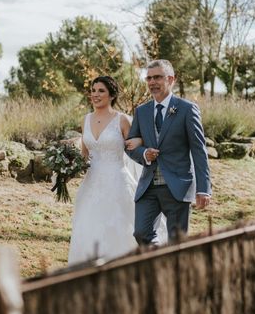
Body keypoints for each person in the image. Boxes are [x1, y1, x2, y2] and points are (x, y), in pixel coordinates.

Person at [68, 76, 165, 265]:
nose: (95, 95)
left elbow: (134, 149)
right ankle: (88, 266)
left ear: (111, 95)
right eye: (93, 90)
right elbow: (85, 154)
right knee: (88, 225)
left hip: (117, 182)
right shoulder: (85, 119)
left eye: (101, 91)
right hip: (91, 183)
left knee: (119, 225)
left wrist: (142, 147)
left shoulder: (121, 120)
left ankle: (122, 265)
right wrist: (67, 167)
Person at [126, 59, 211, 245]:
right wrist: (143, 154)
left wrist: (203, 189)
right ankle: (160, 262)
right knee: (141, 233)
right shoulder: (142, 111)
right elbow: (130, 145)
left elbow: (199, 150)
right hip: (148, 186)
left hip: (177, 186)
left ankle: (173, 271)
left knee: (177, 242)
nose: (152, 82)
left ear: (171, 79)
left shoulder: (187, 109)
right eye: (148, 78)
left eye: (157, 77)